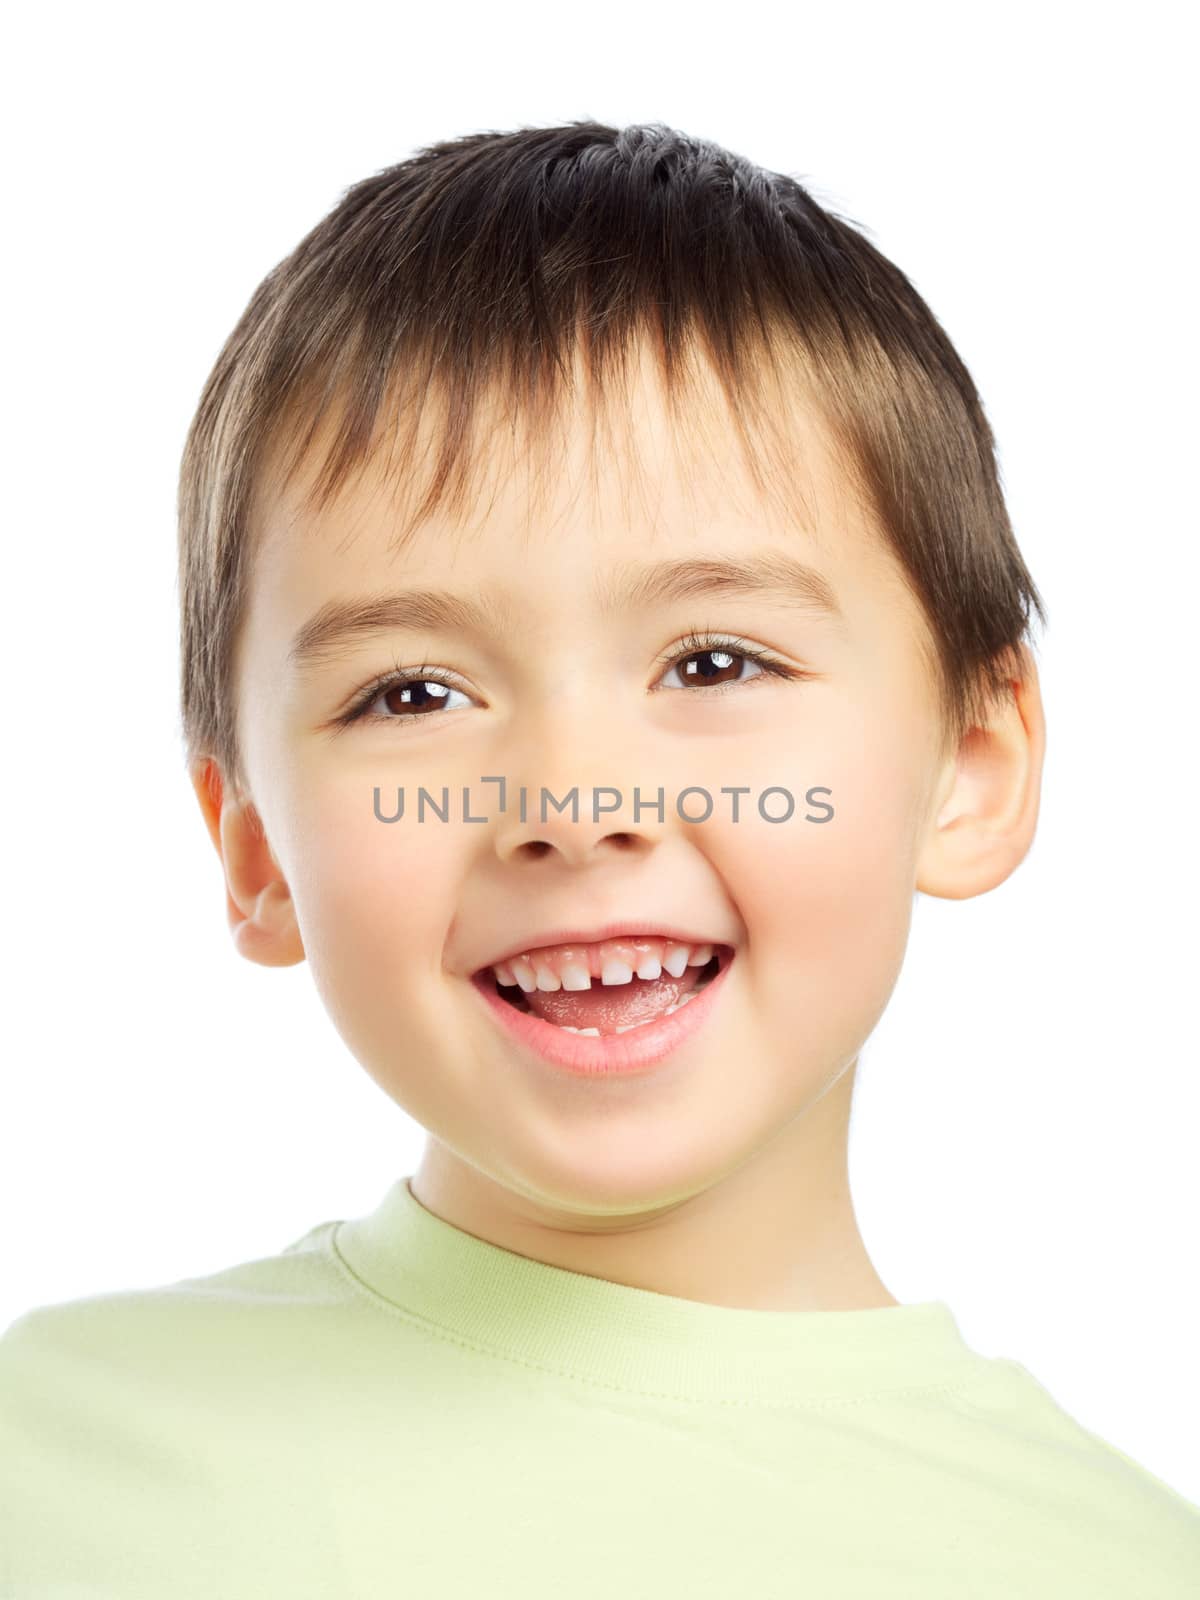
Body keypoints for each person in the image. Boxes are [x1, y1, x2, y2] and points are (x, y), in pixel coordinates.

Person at [2, 119, 1196, 1596]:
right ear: (255, 853)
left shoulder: (1117, 1567)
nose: (572, 802)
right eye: (412, 694)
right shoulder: (44, 1458)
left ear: (973, 763)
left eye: (713, 661)